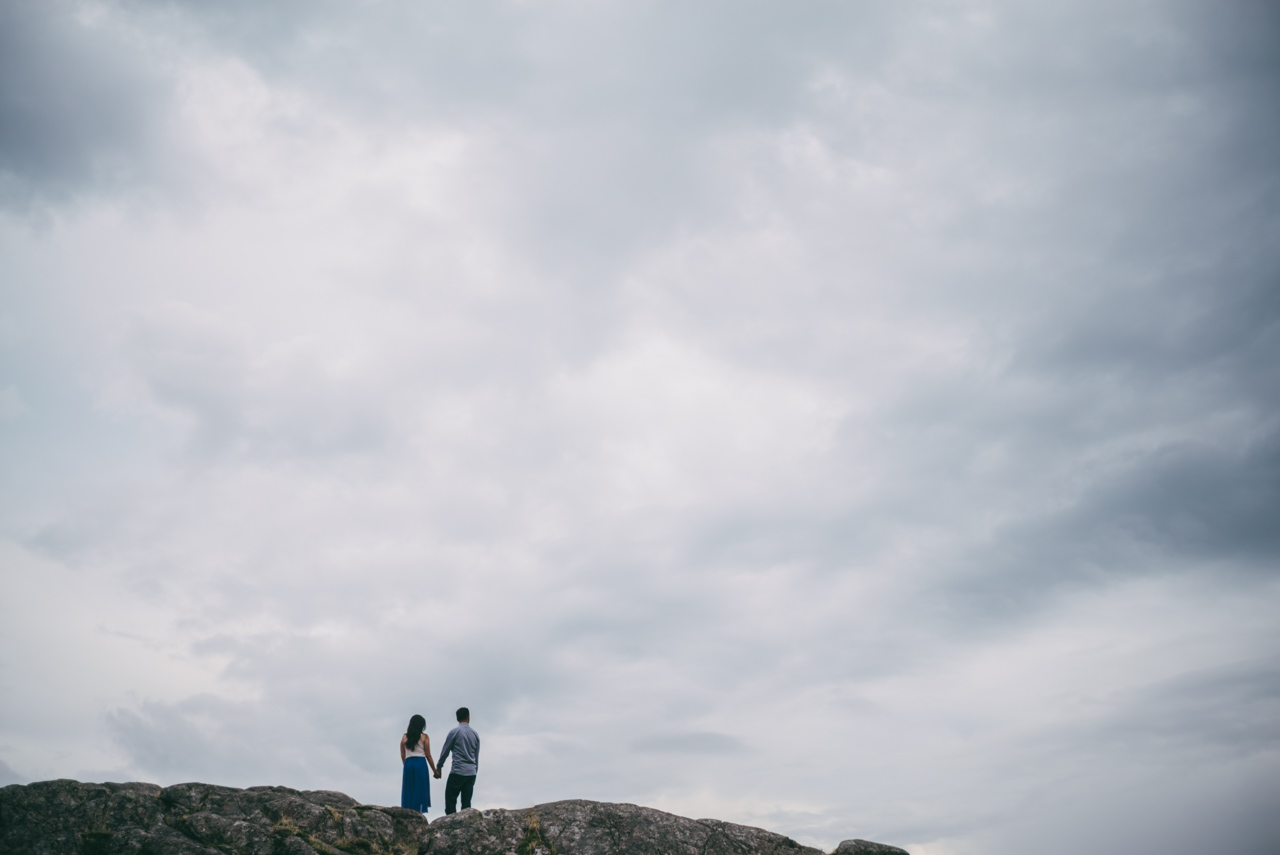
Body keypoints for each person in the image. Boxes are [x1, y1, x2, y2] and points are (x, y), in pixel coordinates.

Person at [435, 707, 480, 814]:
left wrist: (439, 767)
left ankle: (451, 827)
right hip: (471, 773)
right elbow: (476, 756)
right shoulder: (475, 734)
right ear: (468, 717)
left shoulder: (454, 732)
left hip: (458, 771)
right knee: (466, 804)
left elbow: (445, 751)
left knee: (450, 801)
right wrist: (474, 772)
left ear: (457, 718)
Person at [399, 714, 439, 813]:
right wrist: (435, 771)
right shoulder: (424, 737)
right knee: (420, 789)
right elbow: (428, 755)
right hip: (420, 763)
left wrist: (406, 765)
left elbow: (402, 755)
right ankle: (419, 812)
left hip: (408, 763)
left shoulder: (404, 737)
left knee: (409, 789)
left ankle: (407, 810)